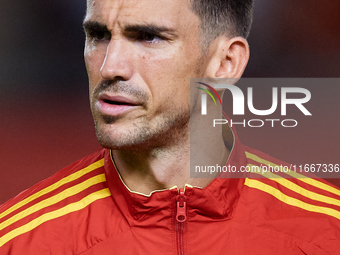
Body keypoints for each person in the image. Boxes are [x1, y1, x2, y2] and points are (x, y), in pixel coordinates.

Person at [0, 0, 339, 254]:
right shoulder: (17, 240)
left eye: (148, 37)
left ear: (225, 63)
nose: (109, 67)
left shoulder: (328, 231)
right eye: (98, 35)